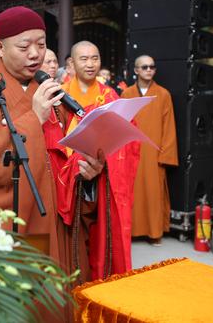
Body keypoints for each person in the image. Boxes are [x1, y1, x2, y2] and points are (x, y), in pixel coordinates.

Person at [0, 7, 106, 285]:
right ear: (0, 47)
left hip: (59, 220)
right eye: (24, 46)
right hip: (16, 222)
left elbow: (62, 157)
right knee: (26, 300)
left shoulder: (50, 91)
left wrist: (86, 170)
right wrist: (33, 118)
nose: (35, 54)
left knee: (58, 296)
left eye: (42, 44)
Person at [61, 40, 140, 280]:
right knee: (73, 239)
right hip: (72, 176)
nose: (90, 64)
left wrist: (108, 157)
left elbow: (128, 137)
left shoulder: (110, 95)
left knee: (101, 235)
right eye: (83, 59)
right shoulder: (59, 95)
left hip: (103, 177)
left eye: (94, 58)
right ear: (72, 64)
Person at [122, 55, 178, 245]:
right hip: (132, 152)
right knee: (132, 193)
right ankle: (130, 232)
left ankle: (155, 233)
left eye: (152, 67)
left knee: (154, 194)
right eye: (144, 67)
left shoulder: (163, 94)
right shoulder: (127, 94)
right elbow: (120, 124)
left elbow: (169, 126)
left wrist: (166, 153)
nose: (149, 70)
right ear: (136, 70)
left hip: (154, 153)